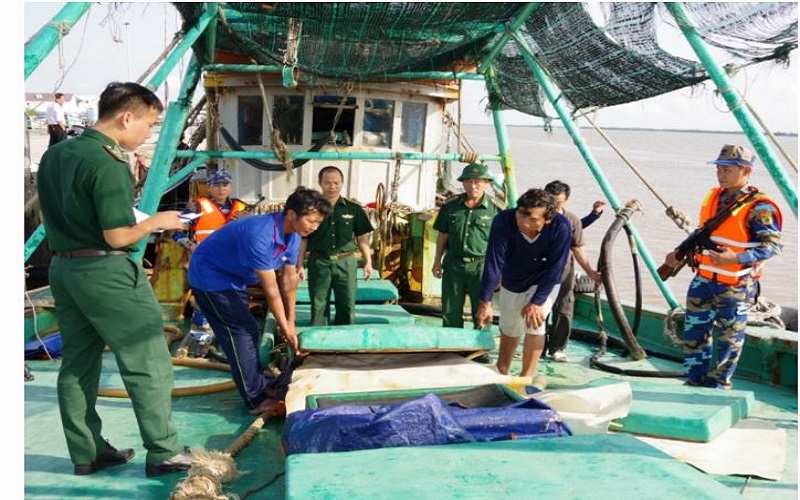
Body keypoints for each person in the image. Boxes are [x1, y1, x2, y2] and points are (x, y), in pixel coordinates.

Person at [37, 81, 193, 477]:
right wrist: (157, 222)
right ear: (126, 117)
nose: (147, 133)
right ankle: (164, 451)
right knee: (147, 359)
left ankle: (87, 452)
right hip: (105, 271)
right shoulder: (107, 162)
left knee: (77, 363)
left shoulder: (56, 154)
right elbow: (118, 235)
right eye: (149, 124)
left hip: (64, 269)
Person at [188, 187, 332, 414]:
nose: (314, 227)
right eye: (311, 221)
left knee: (249, 331)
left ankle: (264, 387)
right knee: (241, 333)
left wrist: (291, 322)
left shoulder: (294, 235)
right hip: (210, 277)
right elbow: (272, 290)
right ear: (292, 214)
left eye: (318, 223)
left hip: (236, 277)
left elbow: (289, 279)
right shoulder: (260, 234)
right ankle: (256, 399)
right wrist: (284, 328)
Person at [663, 144, 782, 390]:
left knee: (730, 339)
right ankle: (695, 379)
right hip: (704, 280)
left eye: (728, 168)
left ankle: (719, 384)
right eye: (719, 167)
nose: (721, 173)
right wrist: (678, 254)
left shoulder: (760, 207)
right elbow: (704, 235)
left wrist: (736, 258)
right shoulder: (714, 197)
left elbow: (773, 247)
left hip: (736, 285)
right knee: (695, 333)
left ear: (746, 171)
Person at [475, 188, 572, 380]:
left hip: (545, 279)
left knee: (536, 322)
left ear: (548, 219)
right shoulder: (504, 220)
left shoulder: (561, 226)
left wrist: (537, 302)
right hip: (514, 277)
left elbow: (556, 267)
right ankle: (502, 368)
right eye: (521, 215)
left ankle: (527, 376)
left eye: (534, 219)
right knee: (509, 326)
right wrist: (485, 302)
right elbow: (495, 261)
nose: (525, 223)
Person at [171, 167, 249, 332]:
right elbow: (175, 231)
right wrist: (191, 246)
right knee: (204, 301)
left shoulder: (243, 208)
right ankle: (200, 339)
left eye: (225, 184)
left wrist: (247, 221)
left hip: (233, 264)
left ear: (231, 186)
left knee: (233, 301)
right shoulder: (196, 208)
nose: (221, 188)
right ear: (209, 187)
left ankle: (230, 336)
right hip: (205, 262)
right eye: (217, 185)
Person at [298, 166, 374, 326]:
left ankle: (344, 344)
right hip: (319, 262)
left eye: (336, 183)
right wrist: (299, 264)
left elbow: (362, 237)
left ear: (342, 183)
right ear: (320, 183)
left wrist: (368, 261)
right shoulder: (311, 209)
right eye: (327, 182)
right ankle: (318, 343)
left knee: (346, 304)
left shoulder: (354, 209)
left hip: (346, 262)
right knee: (318, 305)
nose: (332, 186)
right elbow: (303, 238)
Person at [432, 163, 503, 332]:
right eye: (468, 182)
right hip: (453, 264)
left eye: (478, 182)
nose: (473, 186)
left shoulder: (496, 209)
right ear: (462, 183)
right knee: (450, 309)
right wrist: (437, 262)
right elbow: (443, 235)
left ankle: (481, 348)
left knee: (482, 308)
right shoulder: (450, 207)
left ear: (486, 183)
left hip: (482, 266)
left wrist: (500, 271)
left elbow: (502, 243)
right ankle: (452, 346)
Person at [543, 180, 603, 362]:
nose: (554, 205)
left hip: (564, 270)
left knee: (565, 307)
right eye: (551, 201)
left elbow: (577, 247)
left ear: (566, 201)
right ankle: (538, 345)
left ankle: (557, 347)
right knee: (540, 309)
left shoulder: (572, 219)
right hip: (539, 270)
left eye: (559, 202)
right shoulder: (535, 216)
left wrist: (590, 272)